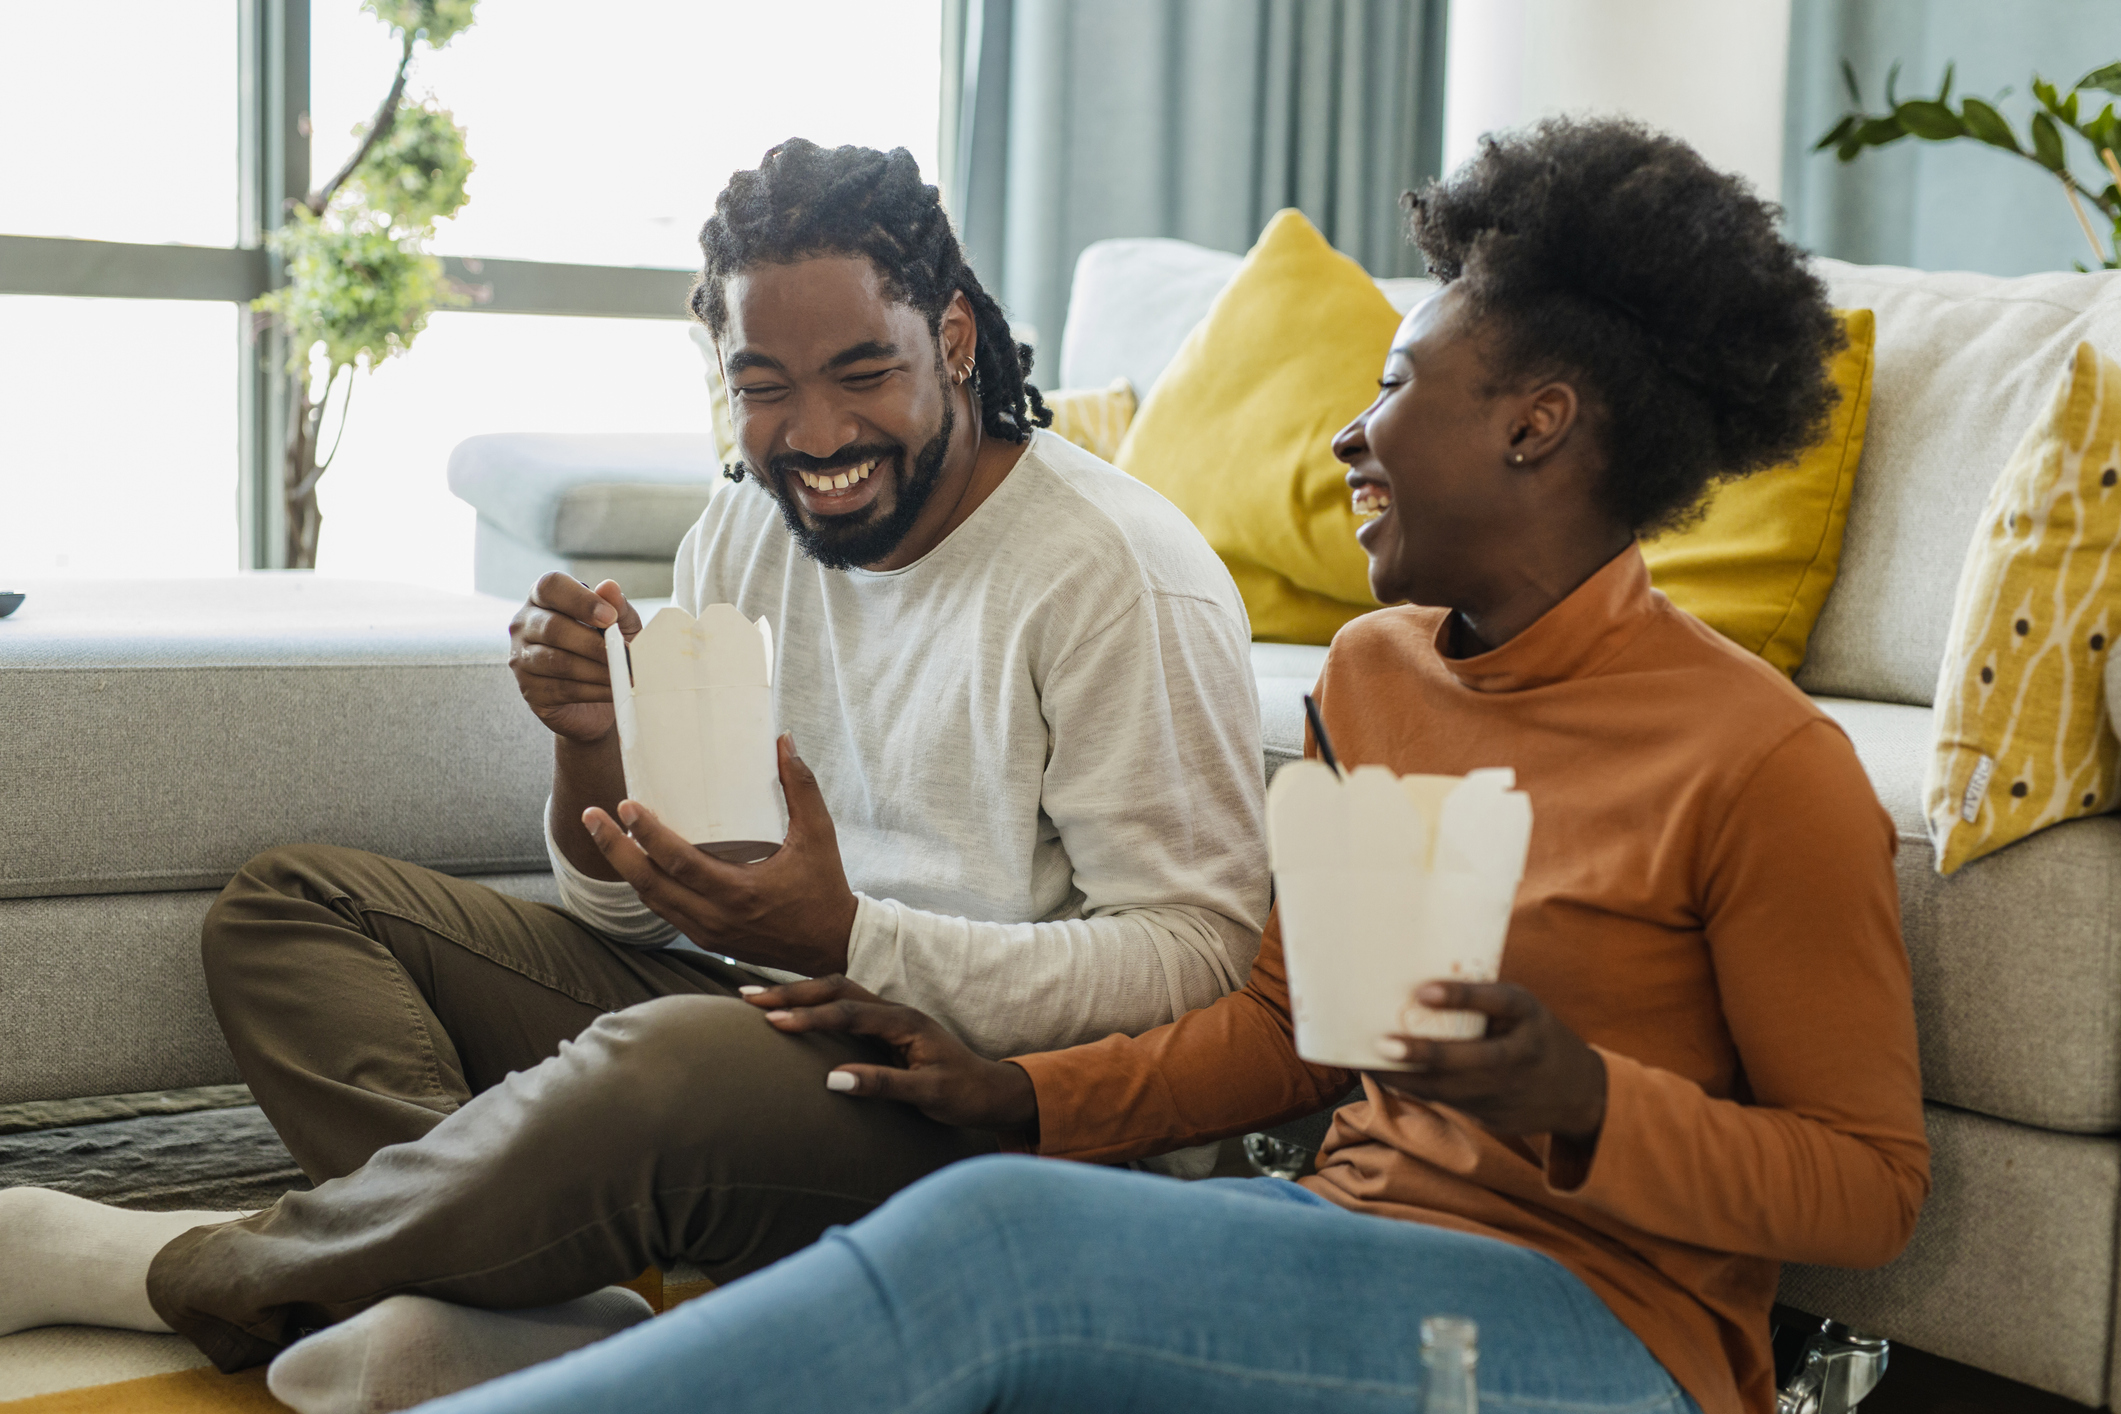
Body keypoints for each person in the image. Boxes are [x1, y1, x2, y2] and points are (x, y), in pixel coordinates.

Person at [407, 117, 1931, 1414]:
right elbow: (1284, 1026)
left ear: (1537, 425)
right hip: (1339, 1225)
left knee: (997, 1246)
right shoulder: (1375, 673)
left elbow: (1866, 1187)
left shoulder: (1762, 762)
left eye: (1399, 385)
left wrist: (1583, 1098)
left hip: (1602, 1325)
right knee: (983, 1238)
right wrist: (1017, 1089)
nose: (1350, 430)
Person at [0, 140, 1267, 1411]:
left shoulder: (1108, 571)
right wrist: (591, 748)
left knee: (664, 1061)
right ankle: (517, 1310)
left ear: (951, 339)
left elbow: (1200, 955)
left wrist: (858, 939)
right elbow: (628, 910)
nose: (817, 434)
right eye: (764, 385)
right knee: (294, 909)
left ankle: (171, 1265)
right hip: (744, 1016)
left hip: (965, 1099)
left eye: (862, 373)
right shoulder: (744, 531)